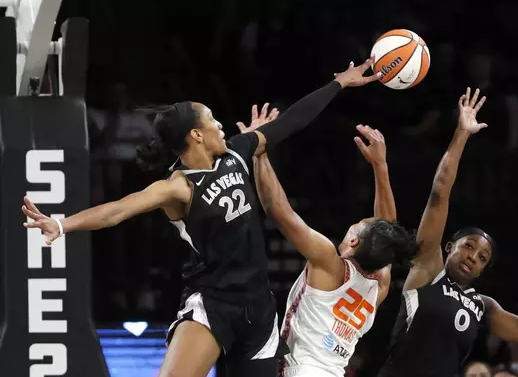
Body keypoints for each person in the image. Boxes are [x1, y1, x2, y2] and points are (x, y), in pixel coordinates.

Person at [21, 59, 381, 377]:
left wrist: (340, 84)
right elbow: (117, 209)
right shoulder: (177, 187)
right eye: (212, 120)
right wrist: (63, 224)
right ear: (196, 135)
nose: (221, 124)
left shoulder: (238, 152)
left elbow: (292, 122)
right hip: (214, 302)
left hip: (259, 308)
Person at [377, 88, 518, 377]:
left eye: (482, 257)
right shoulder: (428, 268)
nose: (473, 256)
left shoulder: (482, 304)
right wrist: (461, 134)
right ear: (449, 246)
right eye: (469, 246)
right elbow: (439, 195)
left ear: (481, 271)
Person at [243, 113, 418, 377]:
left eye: (359, 222)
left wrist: (259, 151)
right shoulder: (378, 285)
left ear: (354, 240)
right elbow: (387, 230)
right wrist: (380, 166)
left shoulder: (329, 263)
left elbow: (278, 210)